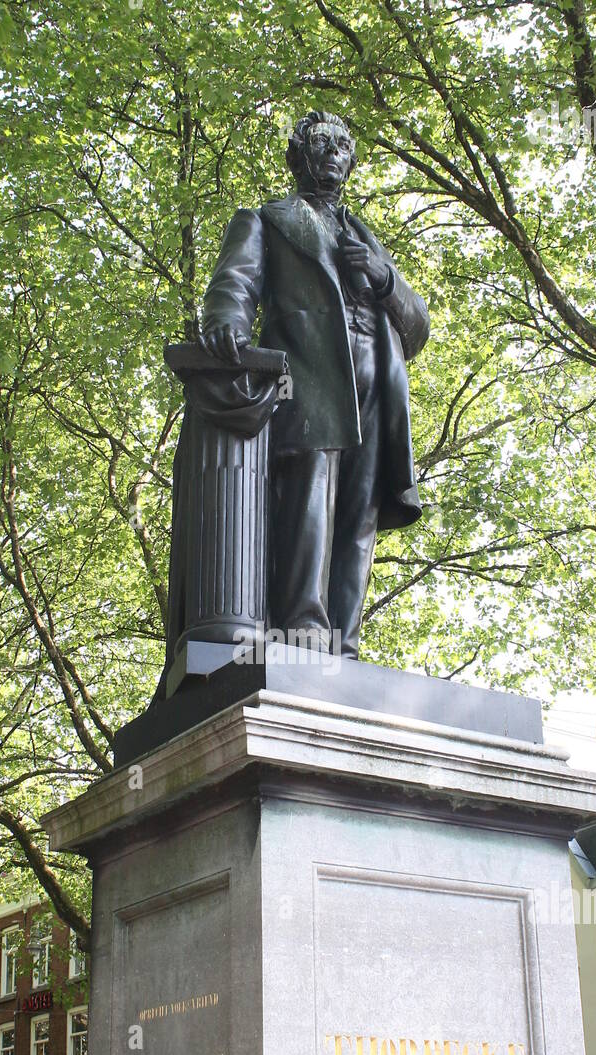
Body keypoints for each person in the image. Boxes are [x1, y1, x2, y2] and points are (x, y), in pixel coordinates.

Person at [200, 111, 430, 658]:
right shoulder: (267, 220)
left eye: (341, 147)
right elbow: (234, 284)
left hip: (378, 389)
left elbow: (417, 327)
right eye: (320, 144)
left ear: (351, 161)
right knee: (310, 501)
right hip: (308, 382)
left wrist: (386, 279)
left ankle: (343, 647)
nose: (332, 154)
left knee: (360, 514)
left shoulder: (367, 241)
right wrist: (227, 324)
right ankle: (301, 633)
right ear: (298, 157)